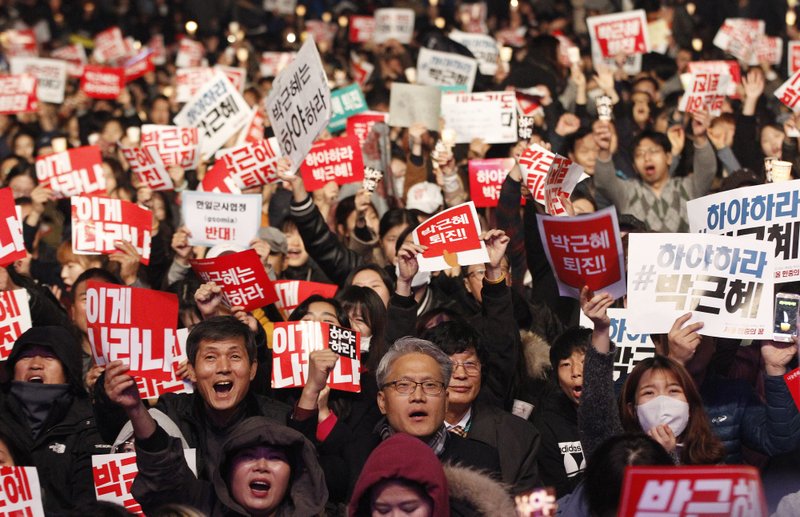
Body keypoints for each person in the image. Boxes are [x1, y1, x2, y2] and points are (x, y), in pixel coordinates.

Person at [96, 316, 313, 484]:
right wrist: (119, 399)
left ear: (253, 369)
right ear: (191, 370)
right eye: (210, 357)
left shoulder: (277, 420)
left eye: (235, 356)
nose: (224, 368)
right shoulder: (169, 413)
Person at [295, 337, 501, 502]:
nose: (418, 396)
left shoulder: (480, 459)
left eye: (430, 385)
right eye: (403, 385)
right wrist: (312, 390)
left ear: (446, 400)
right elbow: (299, 471)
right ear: (382, 402)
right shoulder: (356, 453)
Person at [423, 321, 541, 494]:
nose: (461, 375)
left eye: (470, 365)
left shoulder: (518, 435)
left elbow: (534, 505)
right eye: (448, 366)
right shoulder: (410, 427)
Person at [0, 326, 107, 513]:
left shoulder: (90, 424)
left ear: (68, 370)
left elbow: (90, 503)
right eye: (25, 356)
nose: (35, 364)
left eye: (49, 357)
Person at [132, 416, 328, 516]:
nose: (261, 466)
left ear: (292, 474)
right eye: (249, 457)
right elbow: (164, 476)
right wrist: (135, 409)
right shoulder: (201, 506)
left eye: (274, 458)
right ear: (227, 469)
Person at [532, 327, 589, 497]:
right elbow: (554, 493)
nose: (576, 373)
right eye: (565, 364)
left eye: (585, 362)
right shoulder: (545, 425)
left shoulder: (621, 413)